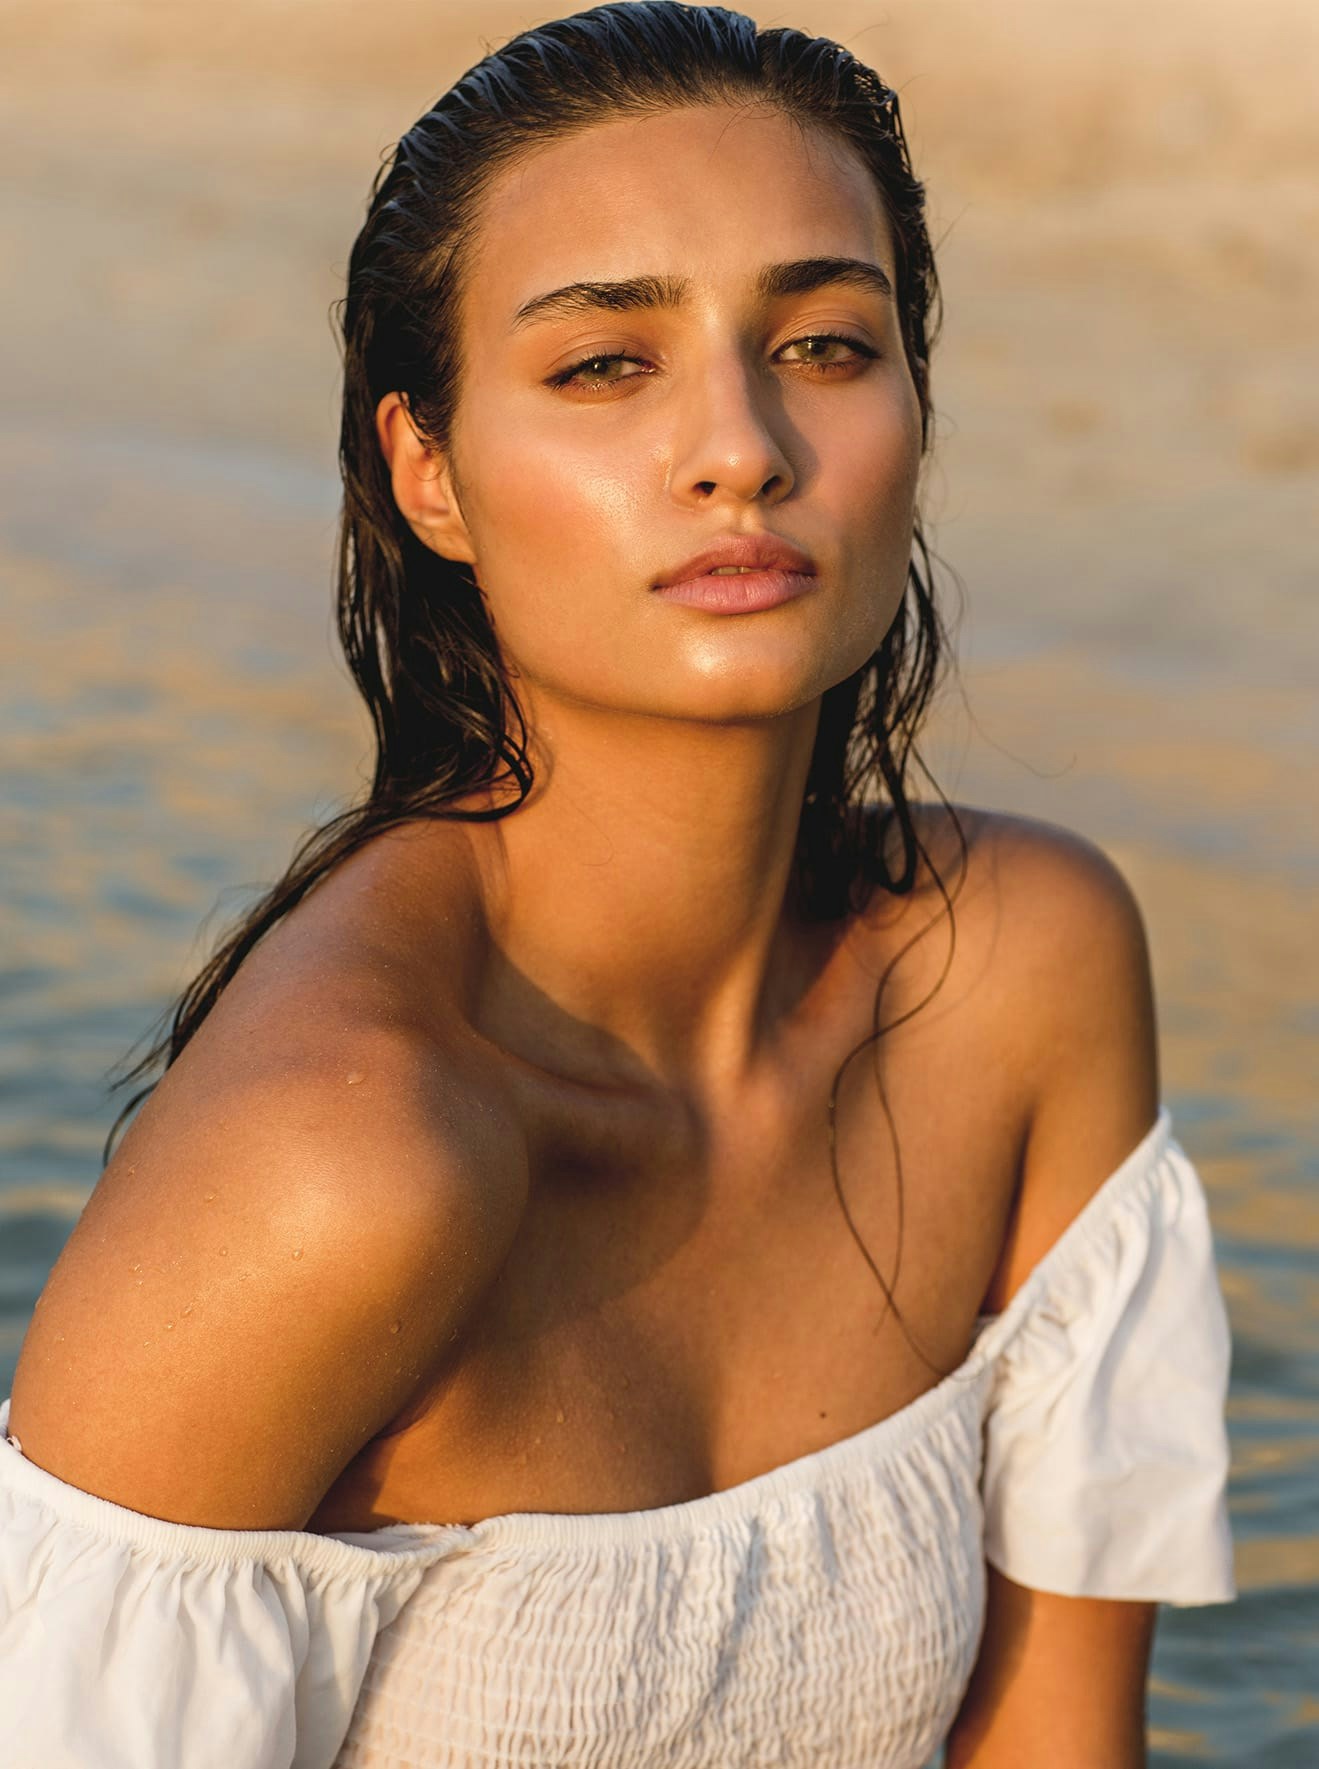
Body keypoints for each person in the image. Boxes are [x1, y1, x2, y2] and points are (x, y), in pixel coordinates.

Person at [0, 4, 1234, 1765]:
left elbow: (1060, 1740)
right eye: (604, 365)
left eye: (823, 342)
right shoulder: (338, 1169)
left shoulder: (1020, 976)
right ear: (427, 470)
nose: (741, 447)